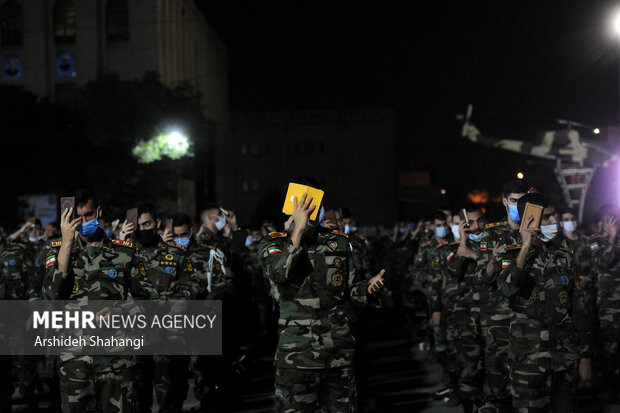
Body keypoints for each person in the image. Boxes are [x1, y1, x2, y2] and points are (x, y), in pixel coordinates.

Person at [260, 178, 385, 412]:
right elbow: (279, 273)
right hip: (296, 356)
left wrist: (367, 289)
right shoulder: (273, 243)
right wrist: (296, 229)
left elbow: (350, 291)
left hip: (337, 353)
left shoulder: (338, 244)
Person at [42, 186, 158, 413]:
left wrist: (122, 312)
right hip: (74, 361)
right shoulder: (57, 252)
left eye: (88, 215)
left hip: (116, 361)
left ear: (99, 212)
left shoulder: (126, 253)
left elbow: (150, 301)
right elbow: (50, 298)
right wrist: (66, 243)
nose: (83, 221)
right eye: (77, 217)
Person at [497, 192, 592, 411]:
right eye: (547, 217)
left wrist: (585, 355)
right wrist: (525, 248)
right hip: (528, 361)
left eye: (554, 216)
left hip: (564, 358)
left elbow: (578, 307)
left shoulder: (564, 255)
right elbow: (507, 288)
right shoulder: (509, 254)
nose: (554, 222)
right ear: (530, 220)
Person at [119, 204, 198, 413]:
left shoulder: (175, 253)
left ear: (157, 224)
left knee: (169, 397)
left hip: (167, 337)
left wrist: (168, 302)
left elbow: (192, 288)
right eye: (139, 225)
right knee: (137, 398)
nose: (143, 228)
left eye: (147, 223)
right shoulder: (125, 254)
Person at [474, 178, 531, 412]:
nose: (518, 206)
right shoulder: (492, 234)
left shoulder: (534, 233)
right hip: (498, 321)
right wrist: (492, 263)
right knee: (497, 386)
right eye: (514, 201)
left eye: (523, 201)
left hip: (528, 320)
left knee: (527, 387)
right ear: (505, 201)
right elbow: (480, 278)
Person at [446, 207, 485, 412]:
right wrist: (463, 242)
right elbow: (453, 271)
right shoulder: (456, 247)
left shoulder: (494, 241)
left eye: (479, 221)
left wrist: (476, 255)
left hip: (491, 315)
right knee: (468, 367)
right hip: (467, 318)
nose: (476, 226)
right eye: (470, 223)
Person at [589, 203, 620, 401]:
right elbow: (603, 261)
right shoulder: (594, 241)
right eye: (610, 220)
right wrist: (612, 237)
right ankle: (611, 389)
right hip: (608, 310)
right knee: (610, 352)